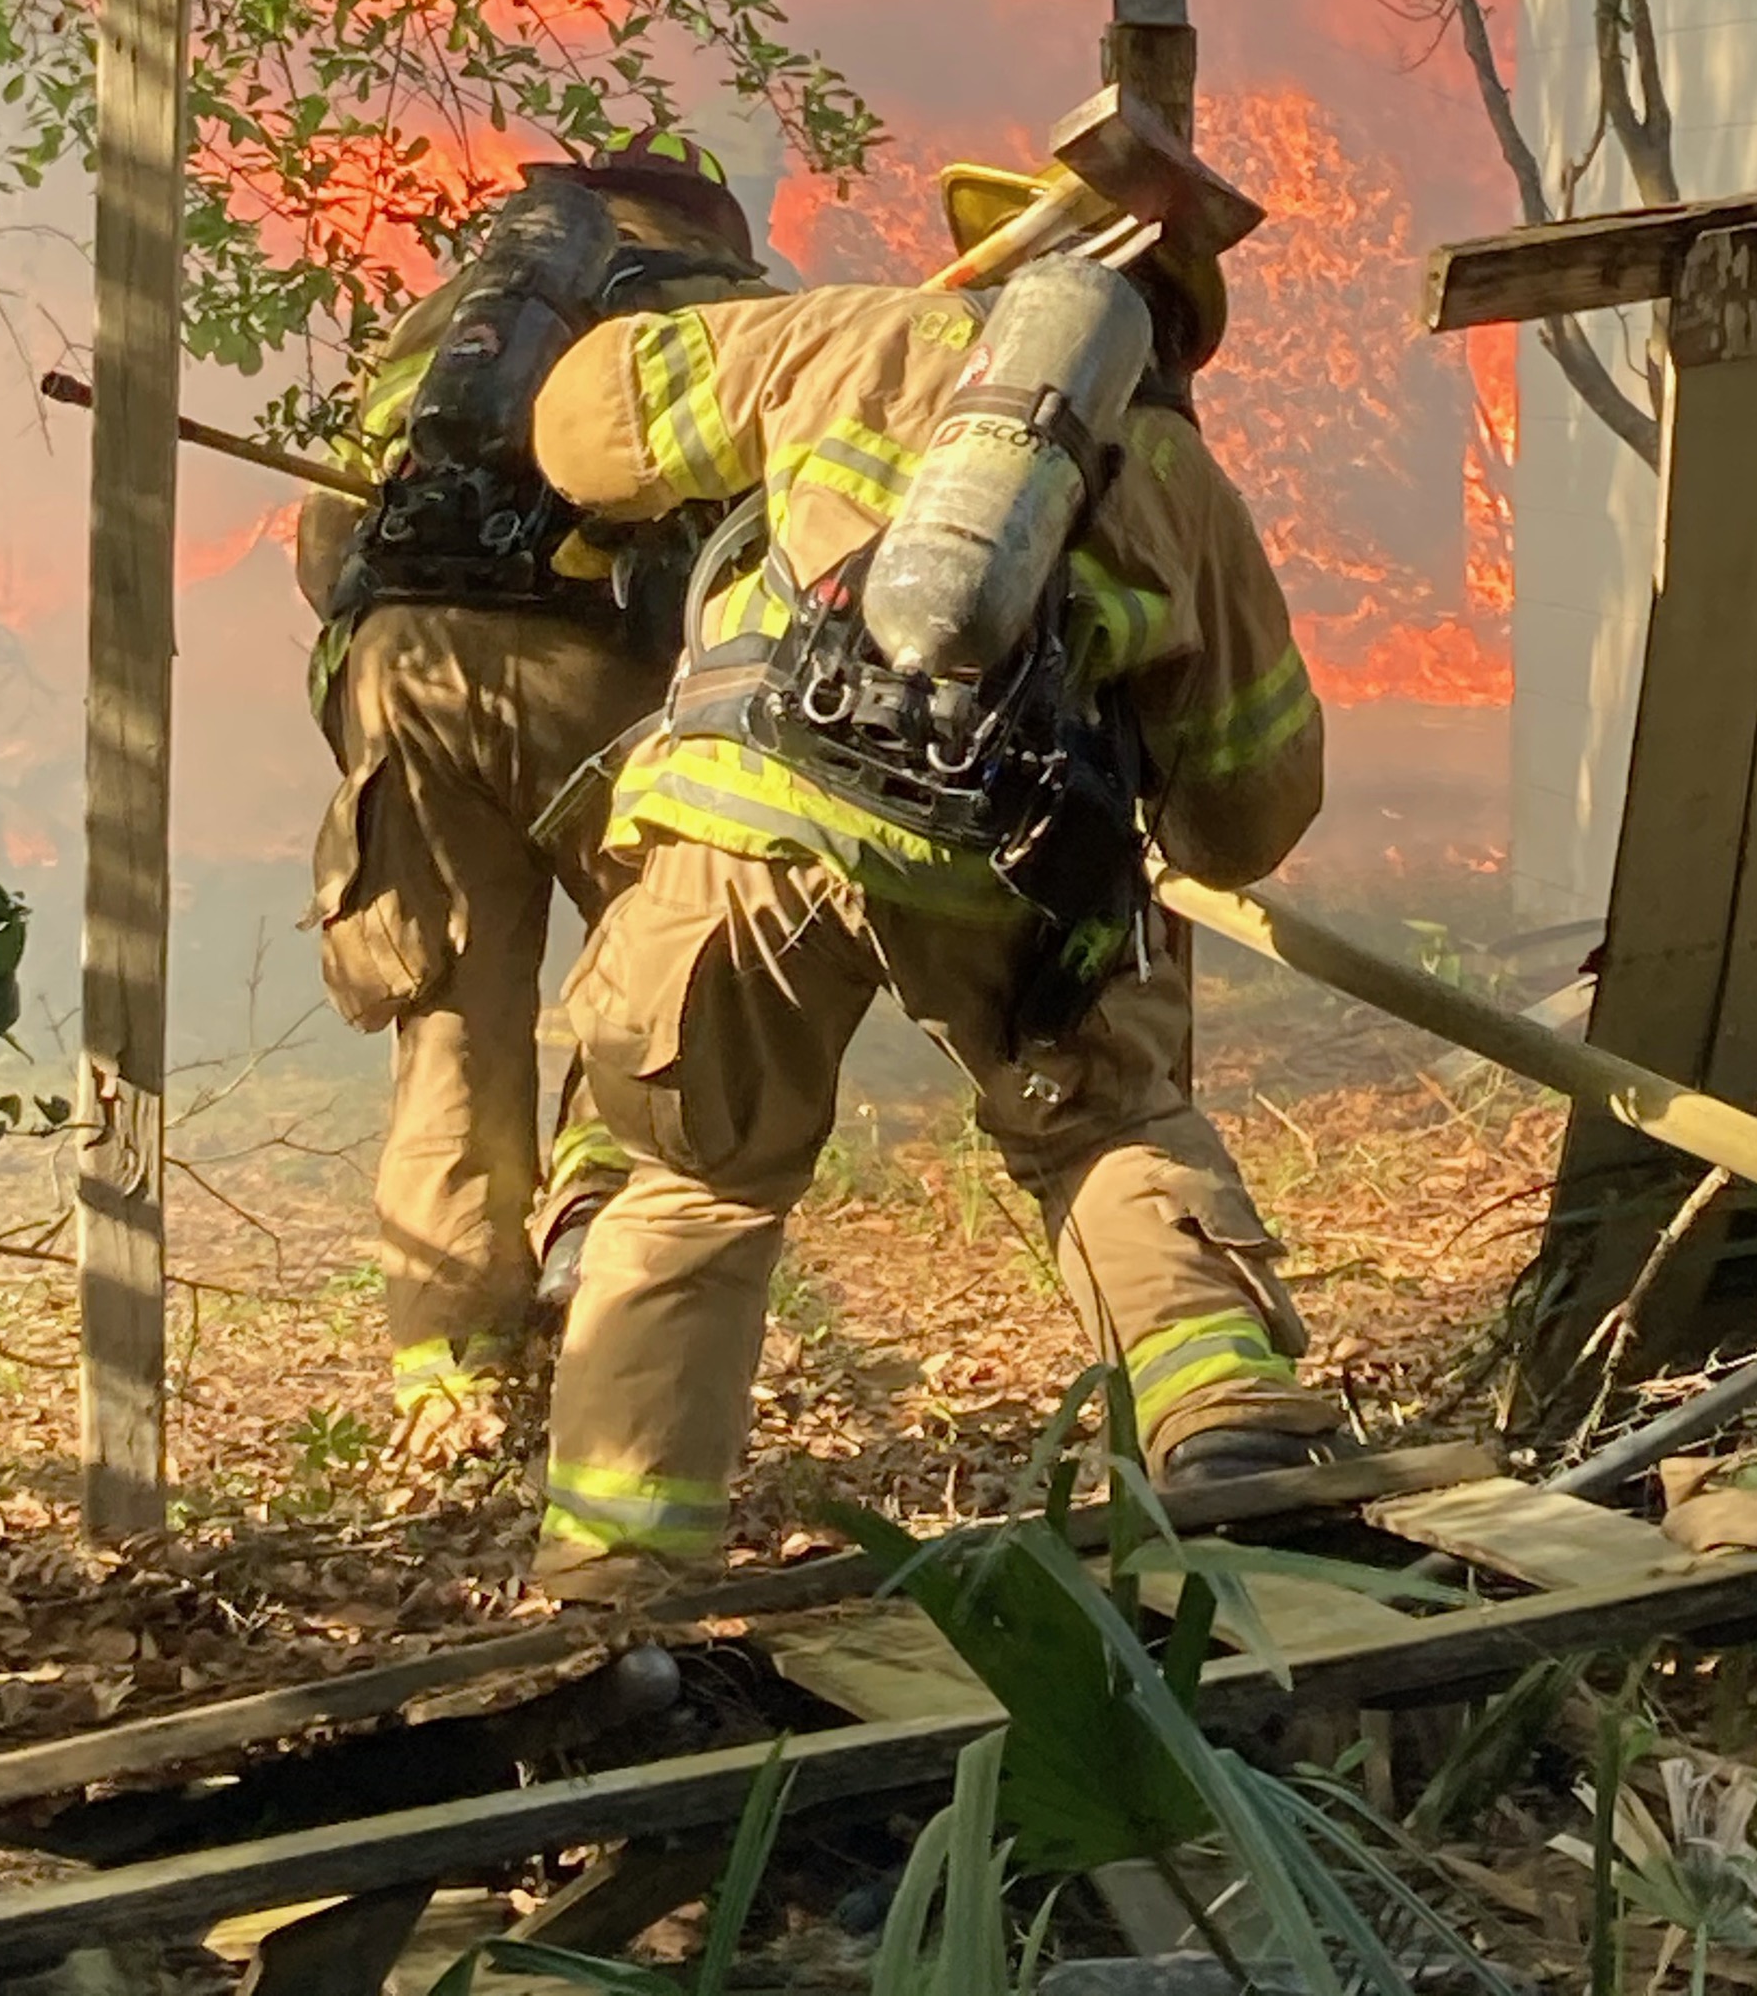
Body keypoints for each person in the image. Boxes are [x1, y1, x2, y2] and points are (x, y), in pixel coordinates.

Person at [524, 143, 1336, 1587]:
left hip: (745, 822)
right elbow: (1253, 806)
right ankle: (1231, 1429)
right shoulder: (1175, 474)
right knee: (1106, 1127)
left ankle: (613, 1592)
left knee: (691, 1185)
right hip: (1010, 872)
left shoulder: (853, 333)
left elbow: (582, 427)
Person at [296, 128, 773, 1455]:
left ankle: (451, 1385)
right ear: (710, 213)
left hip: (403, 679)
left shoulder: (450, 320)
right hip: (612, 676)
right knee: (660, 955)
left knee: (449, 1015)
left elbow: (329, 536)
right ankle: (593, 1210)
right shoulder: (732, 306)